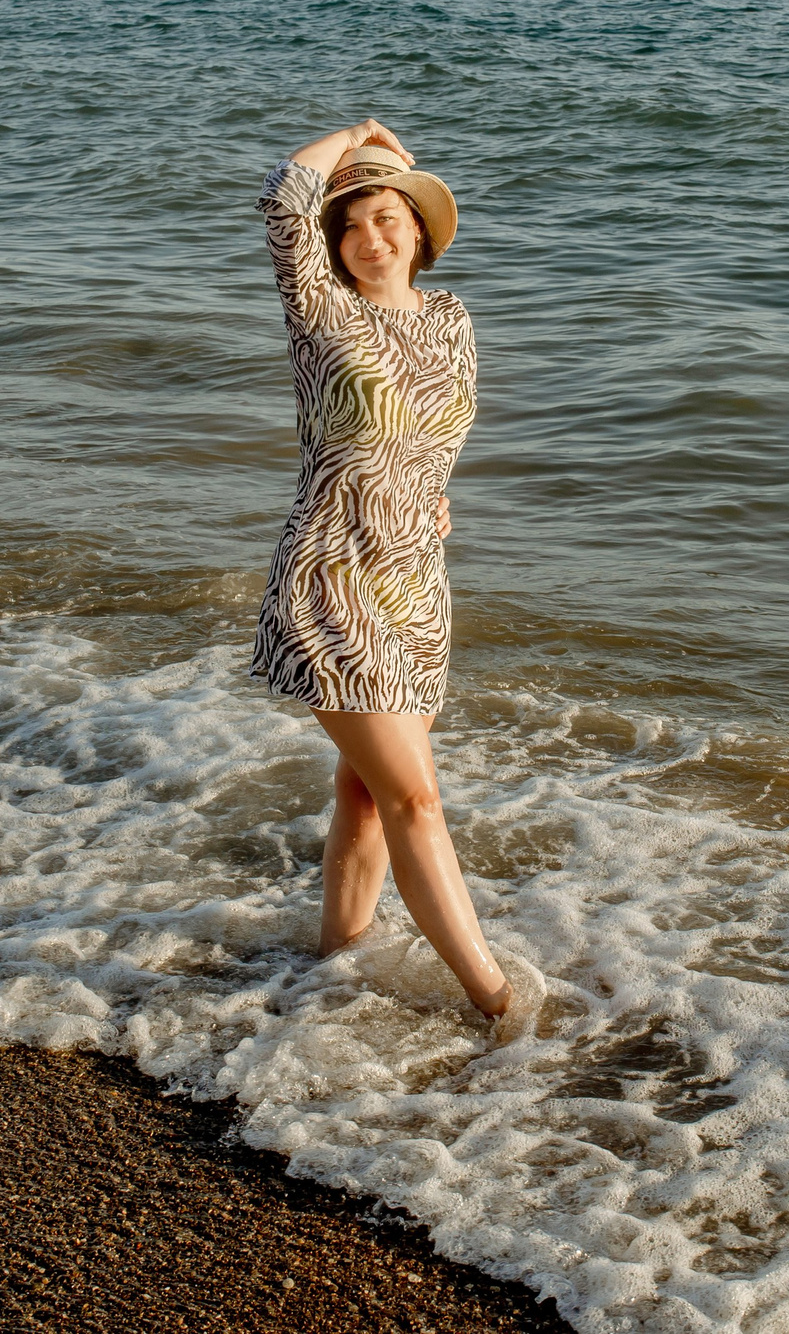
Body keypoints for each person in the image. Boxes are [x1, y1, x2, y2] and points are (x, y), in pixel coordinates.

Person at [251, 117, 518, 1020]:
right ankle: (493, 995)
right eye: (352, 222)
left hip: (415, 584)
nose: (370, 237)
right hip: (330, 576)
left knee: (363, 791)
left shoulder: (451, 319)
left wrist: (432, 495)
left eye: (388, 217)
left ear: (420, 231)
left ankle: (329, 967)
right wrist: (357, 138)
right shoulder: (321, 310)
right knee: (416, 795)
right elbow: (282, 199)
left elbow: (433, 435)